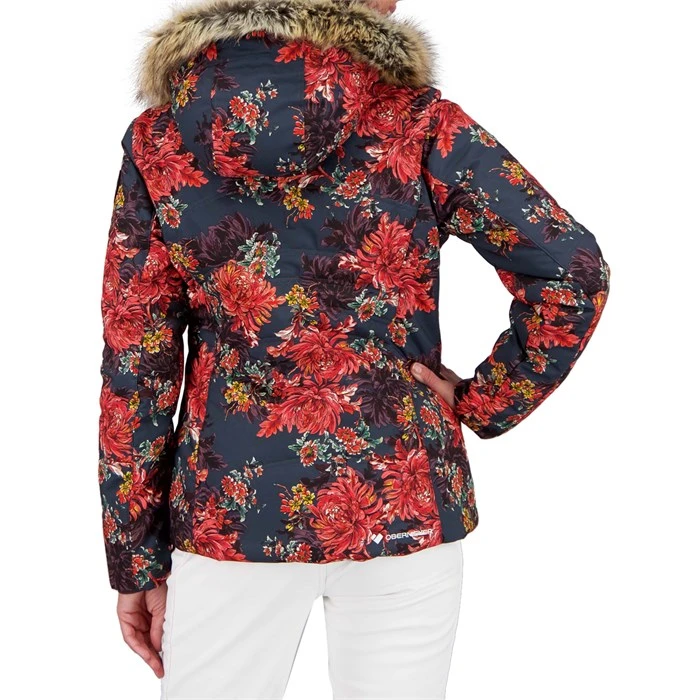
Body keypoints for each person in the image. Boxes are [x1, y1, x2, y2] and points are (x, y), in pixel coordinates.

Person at [97, 0, 611, 697]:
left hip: (231, 517)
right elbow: (572, 271)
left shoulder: (161, 139)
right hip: (403, 505)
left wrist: (134, 557)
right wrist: (484, 401)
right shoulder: (420, 122)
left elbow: (138, 362)